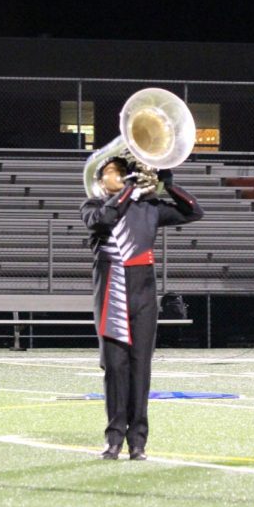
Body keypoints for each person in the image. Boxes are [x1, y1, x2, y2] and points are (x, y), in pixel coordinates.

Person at [81, 157, 203, 460]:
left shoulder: (148, 209)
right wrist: (130, 189)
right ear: (100, 180)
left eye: (124, 173)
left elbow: (194, 212)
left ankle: (138, 442)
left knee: (140, 368)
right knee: (115, 369)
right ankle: (114, 439)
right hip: (111, 295)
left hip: (144, 294)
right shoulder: (92, 206)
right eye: (114, 173)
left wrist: (169, 184)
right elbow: (105, 220)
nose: (120, 177)